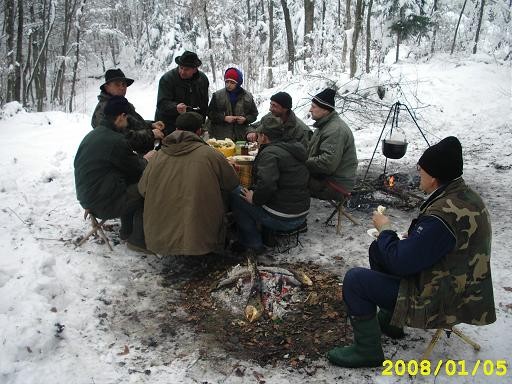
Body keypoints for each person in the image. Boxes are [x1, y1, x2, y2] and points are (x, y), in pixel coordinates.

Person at [327, 136, 496, 368]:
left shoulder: (444, 214)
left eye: (421, 170)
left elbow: (401, 263)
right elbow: (441, 244)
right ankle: (391, 322)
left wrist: (385, 227)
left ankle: (367, 350)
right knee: (379, 249)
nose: (419, 175)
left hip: (442, 299)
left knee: (355, 279)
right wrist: (412, 239)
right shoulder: (464, 197)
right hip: (458, 285)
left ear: (434, 177)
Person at [137, 112, 239, 256]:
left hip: (160, 239)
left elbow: (142, 189)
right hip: (202, 240)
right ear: (199, 131)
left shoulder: (158, 155)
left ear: (177, 129)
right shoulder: (210, 154)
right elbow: (232, 183)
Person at [75, 96, 156, 245]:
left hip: (86, 197)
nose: (127, 123)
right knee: (147, 188)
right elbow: (136, 169)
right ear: (121, 117)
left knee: (130, 182)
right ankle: (138, 242)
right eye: (126, 119)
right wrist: (147, 159)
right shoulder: (116, 140)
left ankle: (126, 231)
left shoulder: (94, 134)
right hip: (102, 203)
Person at [230, 115, 310, 254]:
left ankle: (251, 243)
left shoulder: (270, 154)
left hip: (284, 217)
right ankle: (268, 237)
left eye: (259, 135)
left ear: (264, 137)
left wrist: (254, 199)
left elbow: (267, 185)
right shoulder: (294, 147)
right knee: (260, 192)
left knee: (236, 193)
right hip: (301, 213)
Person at [91, 68, 165, 154]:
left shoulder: (122, 103)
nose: (122, 88)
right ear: (107, 88)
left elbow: (133, 122)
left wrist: (151, 124)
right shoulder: (103, 110)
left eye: (124, 84)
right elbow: (122, 138)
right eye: (117, 84)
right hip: (125, 158)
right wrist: (151, 134)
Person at [306, 88, 358, 198]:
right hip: (326, 178)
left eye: (314, 107)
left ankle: (291, 214)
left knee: (290, 181)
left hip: (336, 184)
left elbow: (327, 164)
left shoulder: (335, 130)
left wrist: (303, 161)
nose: (310, 110)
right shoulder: (324, 126)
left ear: (325, 110)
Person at [154, 51, 209, 136]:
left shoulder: (203, 80)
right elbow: (161, 103)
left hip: (191, 127)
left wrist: (200, 124)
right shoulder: (167, 79)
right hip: (168, 125)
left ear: (194, 69)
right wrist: (175, 107)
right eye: (181, 67)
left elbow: (203, 105)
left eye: (186, 69)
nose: (182, 72)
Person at [207, 67, 258, 142]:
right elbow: (210, 113)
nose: (228, 85)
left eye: (232, 82)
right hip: (220, 138)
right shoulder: (217, 95)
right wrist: (224, 118)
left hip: (241, 136)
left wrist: (245, 119)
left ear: (238, 83)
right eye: (227, 82)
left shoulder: (248, 96)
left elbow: (254, 114)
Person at [247, 91, 311, 149]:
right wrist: (251, 132)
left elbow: (304, 154)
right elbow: (253, 126)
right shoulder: (270, 116)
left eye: (274, 106)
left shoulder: (301, 130)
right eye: (271, 104)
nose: (270, 109)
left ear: (285, 108)